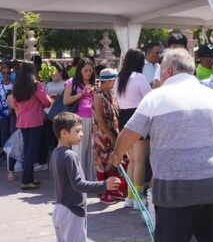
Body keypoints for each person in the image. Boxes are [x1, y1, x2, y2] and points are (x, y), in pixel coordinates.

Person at [110, 48, 213, 242]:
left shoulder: (155, 98)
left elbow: (129, 133)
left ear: (168, 71)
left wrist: (117, 154)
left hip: (174, 188)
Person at [50, 112, 122, 242]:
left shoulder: (55, 153)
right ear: (64, 133)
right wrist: (104, 185)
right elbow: (78, 184)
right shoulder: (69, 155)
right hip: (72, 211)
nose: (82, 134)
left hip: (59, 209)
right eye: (77, 131)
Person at [114, 49, 152, 207]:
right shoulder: (139, 77)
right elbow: (150, 97)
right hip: (138, 117)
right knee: (140, 161)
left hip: (124, 117)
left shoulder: (119, 78)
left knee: (132, 160)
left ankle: (130, 197)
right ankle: (138, 198)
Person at [9, 61, 51, 189]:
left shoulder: (17, 85)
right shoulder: (35, 84)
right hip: (35, 120)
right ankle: (27, 180)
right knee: (31, 151)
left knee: (27, 149)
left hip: (22, 121)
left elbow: (13, 103)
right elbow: (46, 101)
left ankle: (29, 177)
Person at [92, 68, 123, 204]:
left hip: (112, 131)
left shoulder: (109, 93)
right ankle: (104, 192)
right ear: (109, 81)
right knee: (102, 162)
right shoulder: (98, 95)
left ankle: (112, 190)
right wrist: (110, 134)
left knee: (112, 161)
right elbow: (99, 118)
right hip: (103, 134)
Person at [63, 58, 96, 181]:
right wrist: (82, 93)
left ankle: (90, 179)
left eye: (90, 70)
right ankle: (78, 179)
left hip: (93, 119)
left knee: (91, 150)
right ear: (80, 71)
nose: (88, 73)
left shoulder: (94, 83)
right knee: (79, 149)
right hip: (78, 119)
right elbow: (66, 100)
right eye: (86, 70)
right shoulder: (71, 82)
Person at [0, 61, 15, 154]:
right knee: (4, 132)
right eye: (4, 73)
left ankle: (13, 151)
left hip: (14, 112)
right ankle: (6, 151)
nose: (6, 75)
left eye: (8, 73)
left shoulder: (14, 84)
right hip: (2, 113)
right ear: (1, 74)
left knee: (12, 131)